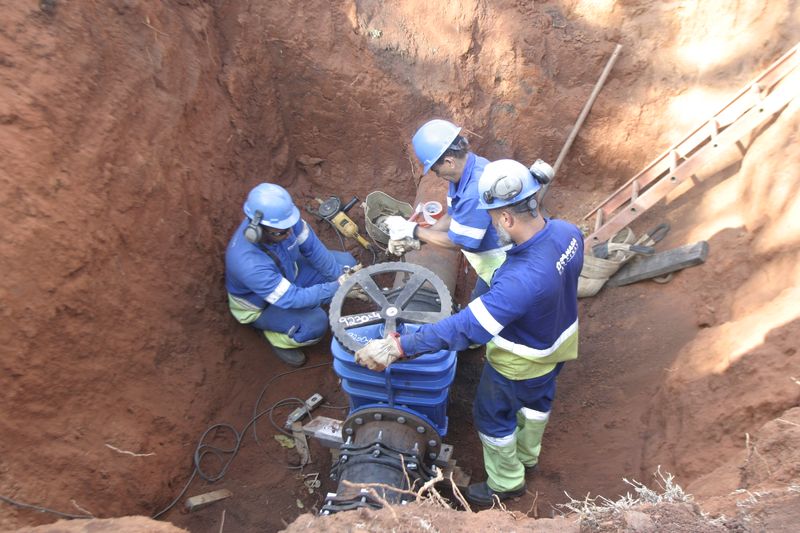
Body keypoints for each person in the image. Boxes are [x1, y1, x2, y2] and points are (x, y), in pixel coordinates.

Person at [354, 159, 584, 506]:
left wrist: (398, 346)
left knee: (492, 418)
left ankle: (506, 483)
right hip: (558, 344)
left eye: (493, 219)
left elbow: (467, 328)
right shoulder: (569, 233)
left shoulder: (518, 281)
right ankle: (529, 455)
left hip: (519, 362)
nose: (493, 226)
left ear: (506, 218)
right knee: (537, 404)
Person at [225, 183, 358, 367]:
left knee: (346, 266)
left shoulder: (283, 222)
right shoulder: (248, 263)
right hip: (263, 305)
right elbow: (291, 298)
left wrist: (340, 278)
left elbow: (312, 249)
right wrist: (335, 287)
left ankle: (320, 296)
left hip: (289, 275)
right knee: (315, 323)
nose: (290, 233)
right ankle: (278, 337)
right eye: (282, 232)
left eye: (290, 226)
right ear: (257, 231)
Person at [384, 119, 503, 299]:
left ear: (449, 161)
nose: (437, 175)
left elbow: (457, 242)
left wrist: (414, 230)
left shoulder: (474, 189)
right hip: (488, 266)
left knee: (484, 319)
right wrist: (416, 240)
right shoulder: (465, 173)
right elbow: (451, 216)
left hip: (504, 266)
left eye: (435, 169)